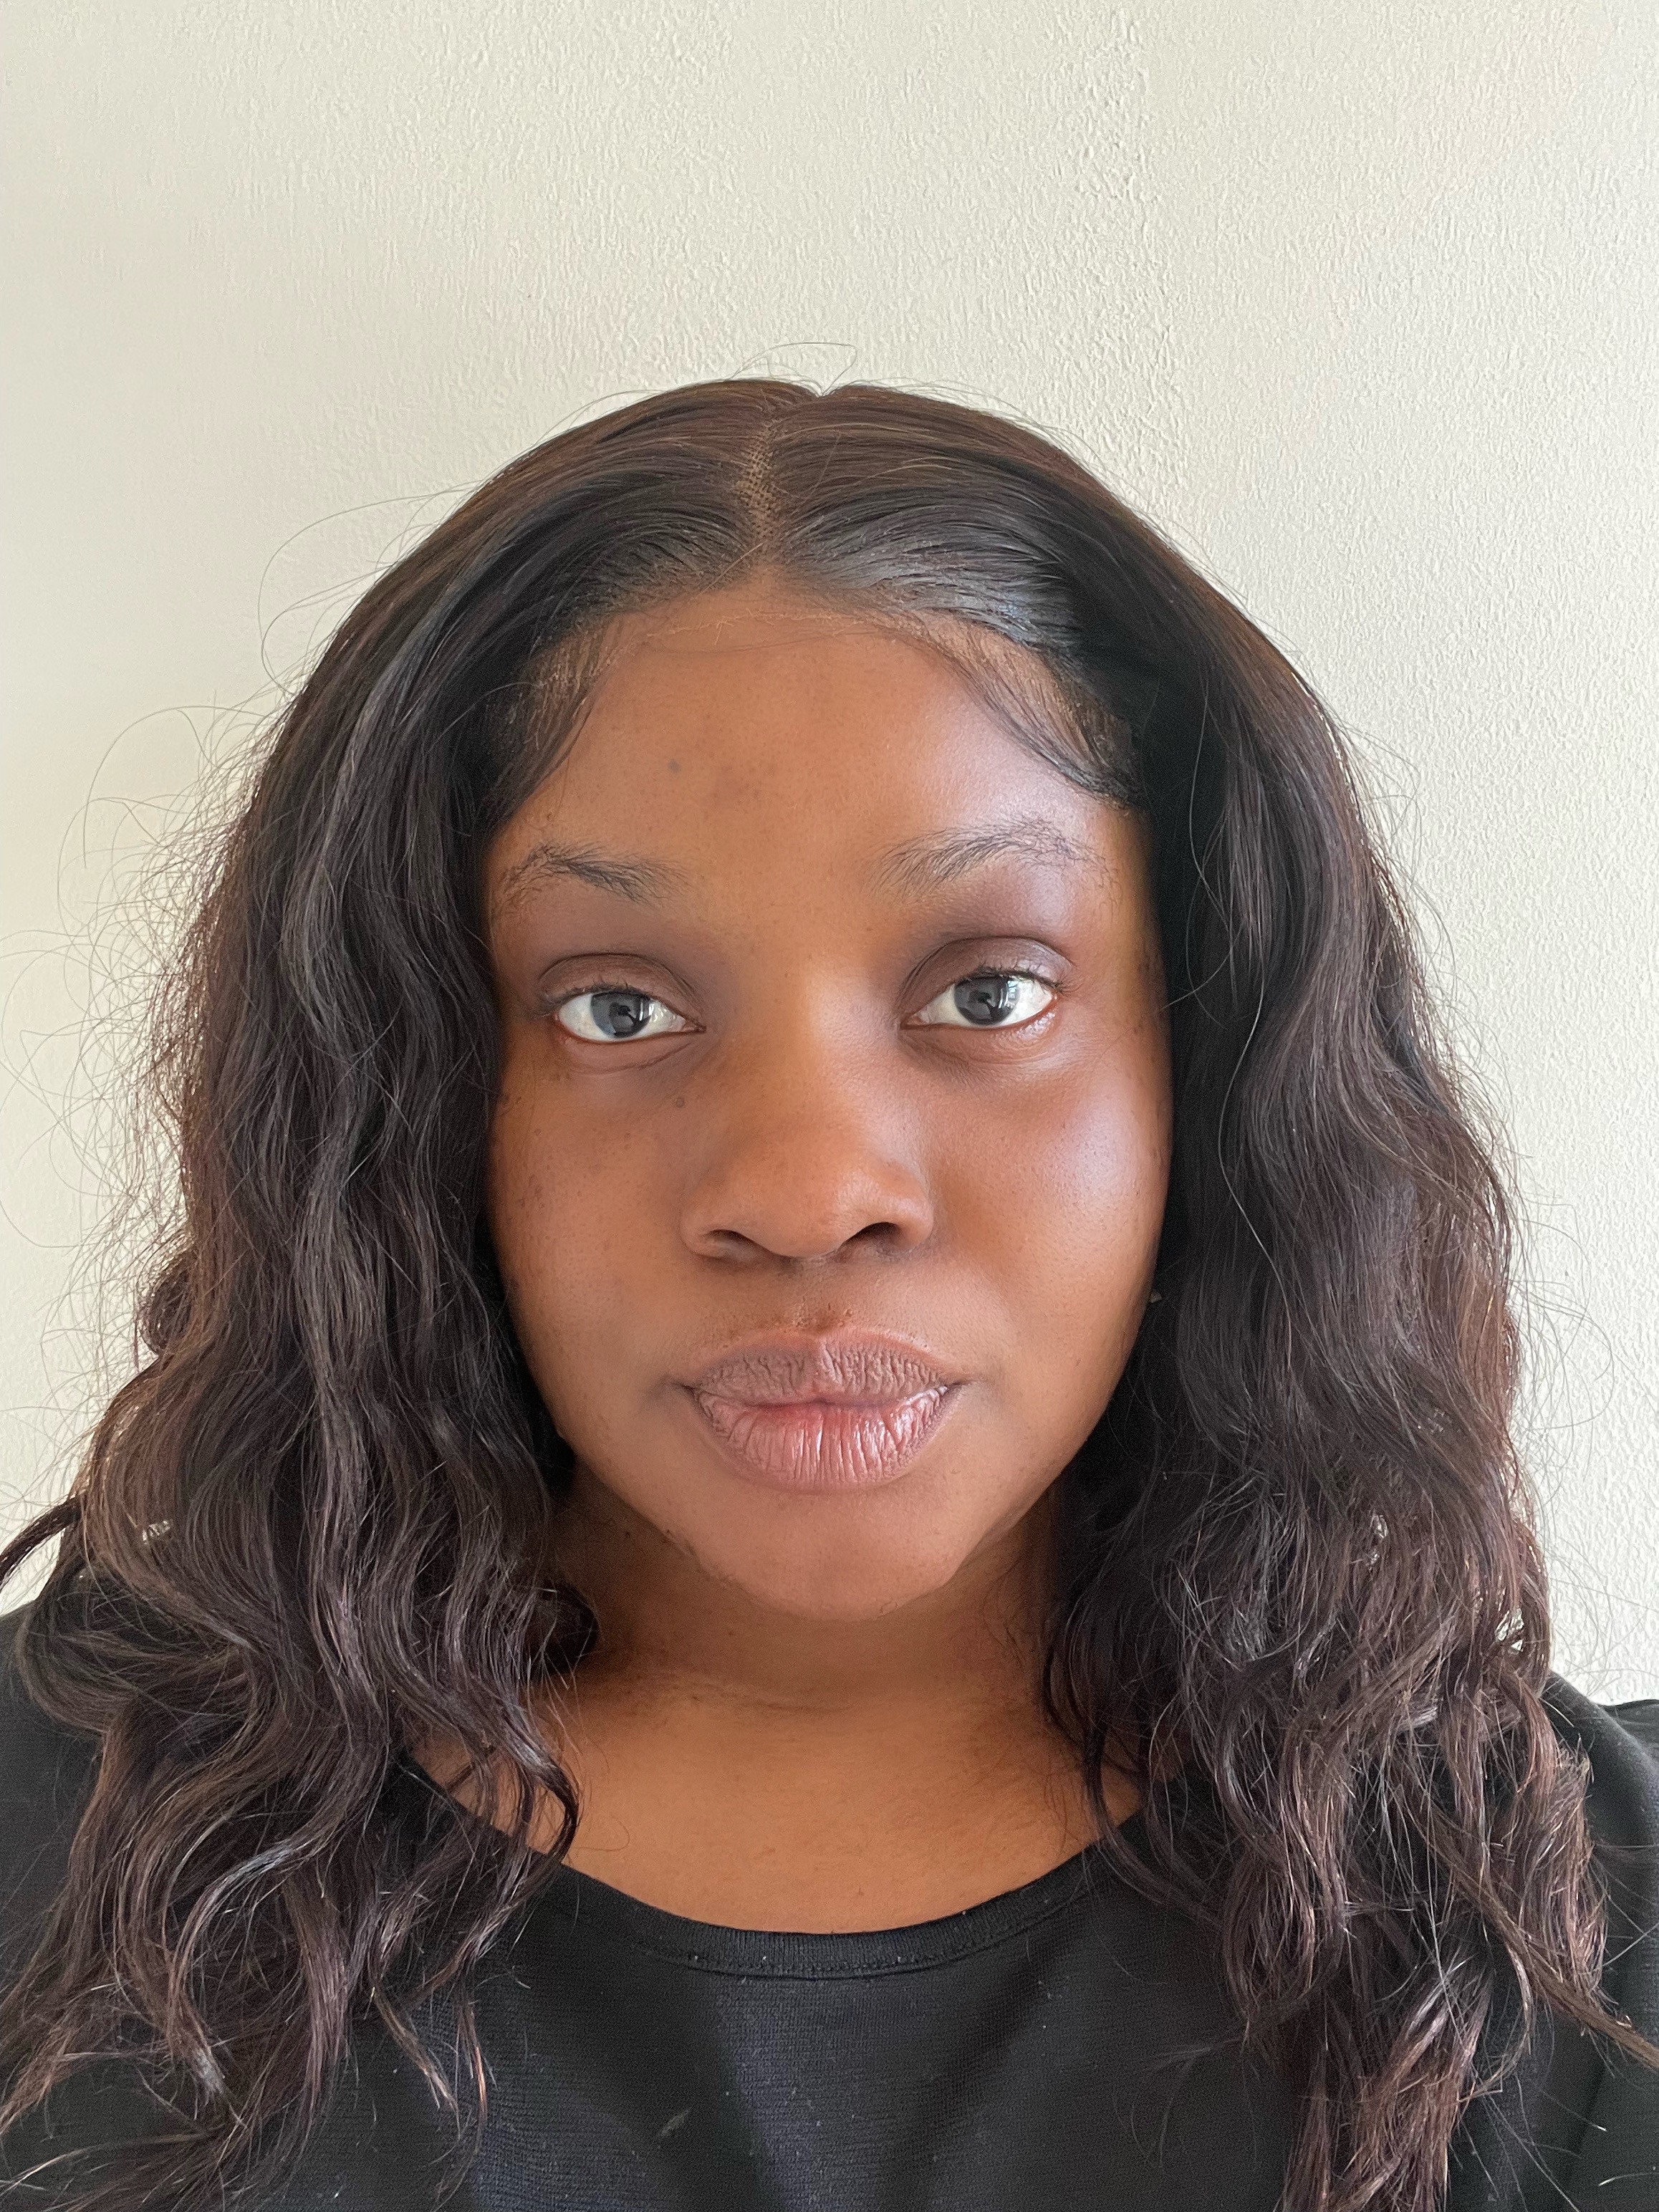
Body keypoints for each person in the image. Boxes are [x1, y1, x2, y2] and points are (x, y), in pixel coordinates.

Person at [0, 379, 1654, 2212]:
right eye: (616, 1005)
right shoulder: (44, 1851)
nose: (808, 1192)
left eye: (989, 991)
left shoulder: (1590, 1934)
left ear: (1216, 1055)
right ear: (411, 1089)